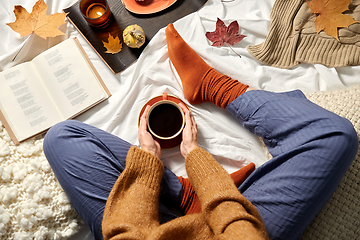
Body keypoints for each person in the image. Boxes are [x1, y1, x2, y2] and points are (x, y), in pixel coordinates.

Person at [43, 24, 358, 240]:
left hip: (154, 231)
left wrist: (148, 164)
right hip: (237, 232)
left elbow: (125, 231)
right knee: (334, 135)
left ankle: (185, 195)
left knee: (61, 139)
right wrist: (196, 158)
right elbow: (239, 231)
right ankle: (213, 86)